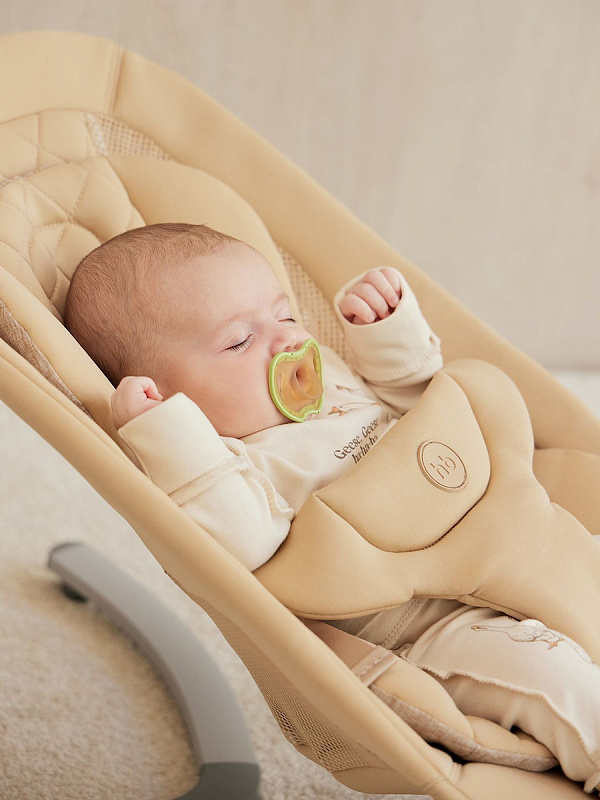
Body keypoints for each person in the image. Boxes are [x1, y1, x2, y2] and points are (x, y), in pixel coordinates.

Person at [65, 222, 600, 794]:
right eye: (239, 342)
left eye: (285, 315)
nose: (287, 343)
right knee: (552, 674)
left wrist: (387, 335)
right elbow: (242, 545)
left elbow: (427, 407)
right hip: (429, 624)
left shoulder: (334, 387)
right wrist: (171, 437)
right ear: (170, 399)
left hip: (512, 540)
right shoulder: (234, 466)